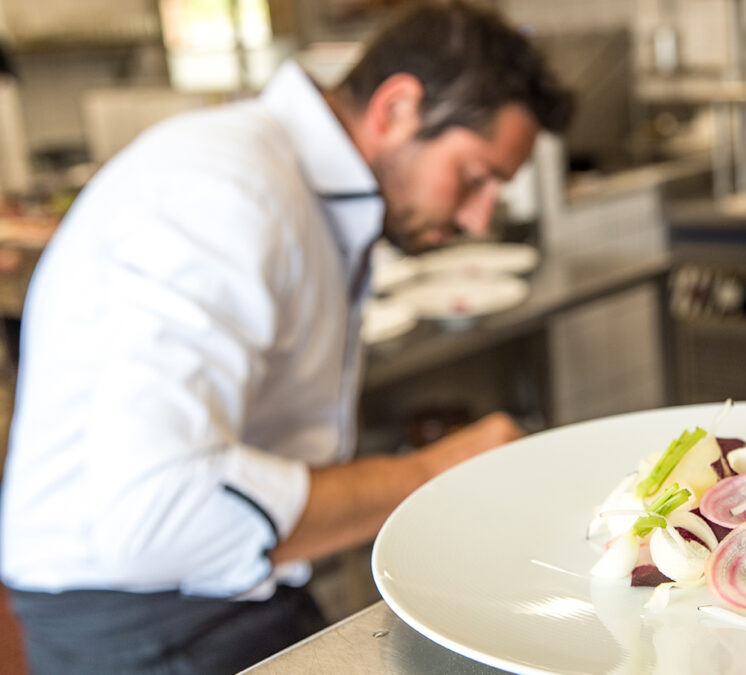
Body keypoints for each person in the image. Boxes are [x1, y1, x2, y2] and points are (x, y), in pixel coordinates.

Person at [0, 2, 573, 673]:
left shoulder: (298, 184)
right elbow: (155, 514)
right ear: (396, 109)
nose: (479, 219)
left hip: (237, 592)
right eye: (475, 177)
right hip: (138, 620)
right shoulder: (226, 191)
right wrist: (431, 472)